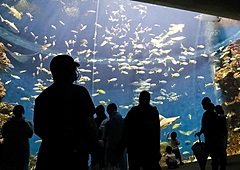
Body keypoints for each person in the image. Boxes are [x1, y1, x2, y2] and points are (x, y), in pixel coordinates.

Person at [34, 55, 100, 170]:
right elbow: (90, 124)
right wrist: (95, 149)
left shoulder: (43, 97)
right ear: (70, 72)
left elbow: (38, 129)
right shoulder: (80, 93)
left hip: (49, 155)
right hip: (75, 155)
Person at [124, 90, 161, 170]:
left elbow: (126, 128)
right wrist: (157, 149)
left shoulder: (133, 112)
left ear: (139, 99)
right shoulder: (154, 112)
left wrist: (126, 145)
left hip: (135, 148)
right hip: (150, 148)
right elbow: (157, 132)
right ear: (149, 100)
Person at [195, 97, 226, 170]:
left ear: (205, 105)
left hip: (210, 138)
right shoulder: (216, 113)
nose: (203, 106)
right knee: (220, 154)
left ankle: (215, 167)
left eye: (203, 105)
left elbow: (204, 126)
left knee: (213, 155)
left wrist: (201, 132)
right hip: (218, 137)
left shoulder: (206, 114)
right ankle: (222, 167)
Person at [1, 104, 33, 170]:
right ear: (23, 112)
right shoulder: (26, 124)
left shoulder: (7, 124)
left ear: (13, 112)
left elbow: (3, 134)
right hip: (22, 150)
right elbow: (30, 135)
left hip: (9, 150)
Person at [102, 103, 127, 170]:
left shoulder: (108, 122)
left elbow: (104, 137)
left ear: (108, 112)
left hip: (111, 149)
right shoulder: (123, 121)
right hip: (122, 148)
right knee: (122, 165)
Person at [91, 105, 107, 169]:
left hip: (102, 145)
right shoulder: (106, 120)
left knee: (101, 163)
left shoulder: (105, 121)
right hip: (96, 145)